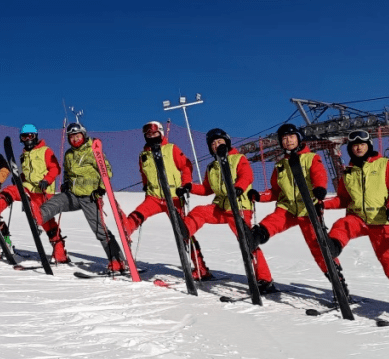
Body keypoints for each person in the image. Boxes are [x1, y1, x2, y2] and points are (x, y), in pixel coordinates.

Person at [321, 130, 389, 317]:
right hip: (358, 218)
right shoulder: (348, 172)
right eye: (354, 145)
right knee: (342, 224)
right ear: (350, 148)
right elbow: (343, 199)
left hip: (382, 220)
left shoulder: (384, 165)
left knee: (388, 260)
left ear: (368, 146)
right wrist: (323, 205)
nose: (358, 147)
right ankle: (333, 246)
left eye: (362, 144)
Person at [245, 123, 345, 292]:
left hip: (309, 210)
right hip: (287, 209)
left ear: (298, 138)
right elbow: (275, 192)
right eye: (284, 138)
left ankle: (339, 285)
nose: (288, 141)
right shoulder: (280, 165)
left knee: (318, 247)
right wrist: (259, 196)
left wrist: (320, 188)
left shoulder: (311, 158)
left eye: (291, 137)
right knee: (269, 223)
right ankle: (256, 238)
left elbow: (319, 175)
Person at [184, 128, 272, 289]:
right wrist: (190, 187)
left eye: (220, 141)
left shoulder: (239, 158)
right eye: (213, 143)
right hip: (221, 208)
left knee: (247, 241)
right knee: (198, 212)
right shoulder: (212, 167)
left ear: (227, 142)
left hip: (239, 207)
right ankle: (184, 231)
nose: (217, 145)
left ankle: (264, 279)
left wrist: (238, 188)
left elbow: (247, 176)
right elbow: (207, 189)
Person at [123, 121, 211, 280]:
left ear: (161, 133)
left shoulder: (172, 149)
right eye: (148, 135)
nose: (151, 136)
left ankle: (200, 268)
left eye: (154, 133)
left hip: (173, 197)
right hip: (154, 197)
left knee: (183, 231)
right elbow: (143, 173)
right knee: (136, 215)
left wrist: (185, 185)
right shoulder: (143, 155)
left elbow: (186, 166)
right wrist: (145, 185)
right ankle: (126, 232)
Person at [37, 123, 126, 272]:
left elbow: (106, 171)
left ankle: (117, 260)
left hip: (90, 196)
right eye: (71, 138)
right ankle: (37, 220)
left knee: (99, 230)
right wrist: (65, 183)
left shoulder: (93, 150)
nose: (75, 140)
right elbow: (67, 172)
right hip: (72, 194)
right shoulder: (69, 154)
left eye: (77, 136)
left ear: (83, 135)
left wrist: (100, 189)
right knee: (53, 203)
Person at [0, 124, 70, 263]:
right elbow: (26, 174)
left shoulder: (46, 151)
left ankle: (60, 253)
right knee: (11, 190)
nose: (28, 139)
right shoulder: (23, 155)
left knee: (47, 223)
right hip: (27, 189)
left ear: (35, 136)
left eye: (30, 136)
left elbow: (55, 168)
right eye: (24, 136)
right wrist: (19, 179)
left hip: (43, 192)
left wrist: (47, 180)